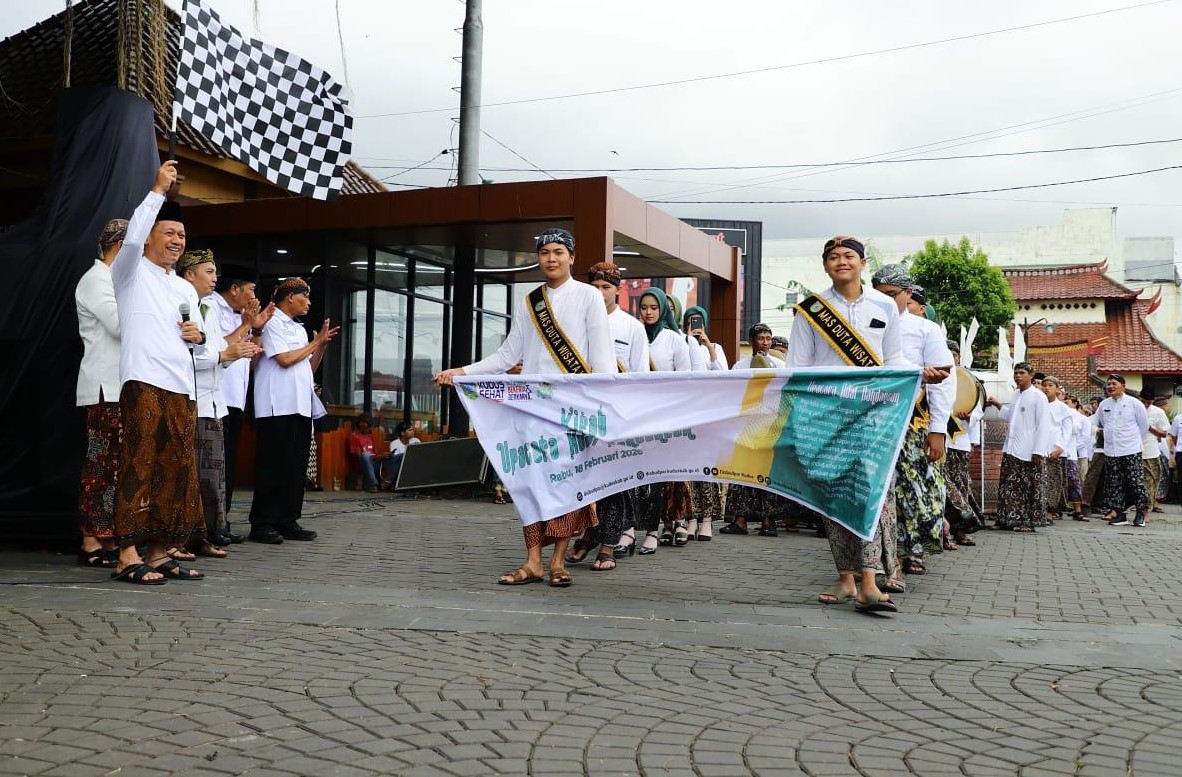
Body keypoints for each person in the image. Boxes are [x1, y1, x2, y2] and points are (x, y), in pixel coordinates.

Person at [435, 228, 614, 588]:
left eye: (559, 252)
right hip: (532, 409)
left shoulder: (589, 297)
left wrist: (600, 406)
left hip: (570, 409)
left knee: (567, 484)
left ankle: (558, 562)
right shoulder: (529, 301)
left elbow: (603, 362)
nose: (551, 258)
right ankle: (533, 562)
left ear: (572, 257)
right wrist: (462, 372)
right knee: (530, 483)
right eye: (545, 251)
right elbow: (507, 356)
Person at [788, 236, 949, 614]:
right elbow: (798, 368)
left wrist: (920, 375)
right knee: (834, 496)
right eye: (833, 257)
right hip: (828, 417)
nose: (841, 262)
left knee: (873, 493)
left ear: (862, 263)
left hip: (875, 415)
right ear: (825, 265)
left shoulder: (884, 306)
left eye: (848, 256)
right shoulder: (811, 310)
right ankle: (846, 576)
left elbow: (892, 359)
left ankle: (870, 581)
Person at [108, 161, 205, 584]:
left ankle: (159, 551)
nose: (177, 241)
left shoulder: (184, 287)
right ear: (148, 237)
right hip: (143, 378)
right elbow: (130, 240)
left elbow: (200, 344)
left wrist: (198, 338)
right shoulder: (129, 272)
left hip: (182, 385)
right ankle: (127, 554)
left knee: (176, 468)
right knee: (139, 463)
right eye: (169, 233)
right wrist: (157, 191)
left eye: (182, 235)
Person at [177, 249, 263, 556]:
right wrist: (226, 355)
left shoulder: (206, 310)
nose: (215, 279)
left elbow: (215, 349)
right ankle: (192, 535)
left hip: (215, 400)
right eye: (209, 272)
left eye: (215, 273)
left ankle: (209, 532)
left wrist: (232, 353)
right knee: (196, 475)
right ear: (189, 275)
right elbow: (187, 356)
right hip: (194, 398)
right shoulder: (185, 305)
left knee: (214, 475)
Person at [871, 264, 953, 576]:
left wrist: (938, 430)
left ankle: (904, 557)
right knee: (878, 492)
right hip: (873, 423)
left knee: (913, 492)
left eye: (893, 295)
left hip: (911, 424)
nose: (887, 301)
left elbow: (942, 381)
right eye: (880, 296)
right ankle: (876, 558)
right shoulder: (863, 327)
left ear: (908, 294)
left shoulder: (925, 330)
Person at [248, 278, 339, 544]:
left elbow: (307, 368)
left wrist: (319, 346)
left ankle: (288, 520)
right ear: (290, 297)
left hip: (300, 405)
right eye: (305, 297)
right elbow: (285, 360)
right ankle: (263, 522)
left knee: (294, 468)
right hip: (277, 406)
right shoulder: (272, 323)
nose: (309, 303)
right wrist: (314, 343)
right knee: (272, 467)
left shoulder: (299, 329)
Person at [574, 262, 649, 569]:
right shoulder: (575, 322)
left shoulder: (632, 327)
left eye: (606, 287)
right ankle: (589, 532)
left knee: (612, 480)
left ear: (618, 289)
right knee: (583, 478)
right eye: (595, 286)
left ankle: (608, 544)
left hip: (616, 413)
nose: (600, 292)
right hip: (580, 411)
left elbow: (641, 376)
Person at [74, 218, 128, 569]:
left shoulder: (115, 281)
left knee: (116, 465)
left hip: (119, 385)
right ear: (119, 247)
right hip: (102, 386)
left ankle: (107, 535)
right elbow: (120, 325)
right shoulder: (96, 280)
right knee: (100, 464)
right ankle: (91, 539)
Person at [202, 264, 266, 528]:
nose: (254, 297)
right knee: (215, 463)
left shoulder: (239, 314)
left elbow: (248, 362)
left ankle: (223, 519)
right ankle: (213, 523)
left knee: (228, 462)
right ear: (236, 288)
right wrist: (247, 325)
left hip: (235, 398)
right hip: (216, 396)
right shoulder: (210, 306)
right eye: (251, 290)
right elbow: (219, 346)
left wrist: (256, 331)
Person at [986, 363, 1050, 533]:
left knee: (1027, 487)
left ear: (1031, 375)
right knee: (1008, 486)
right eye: (1016, 373)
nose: (1018, 376)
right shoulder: (1015, 395)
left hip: (1029, 451)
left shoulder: (1038, 397)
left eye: (1022, 373)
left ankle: (1027, 522)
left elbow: (1043, 425)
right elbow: (1011, 417)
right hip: (1011, 448)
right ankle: (1006, 519)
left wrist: (1038, 451)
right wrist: (998, 405)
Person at [1093, 375, 1149, 526]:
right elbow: (1096, 422)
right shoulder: (1104, 404)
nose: (1110, 386)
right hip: (1111, 451)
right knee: (1114, 483)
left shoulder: (1134, 403)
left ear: (1123, 385)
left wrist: (1133, 441)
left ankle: (1141, 511)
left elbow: (1143, 426)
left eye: (1114, 384)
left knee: (1135, 482)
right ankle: (1119, 514)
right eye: (1108, 384)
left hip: (1131, 449)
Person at [1040, 376, 1076, 523]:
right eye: (1044, 385)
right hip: (1039, 449)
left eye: (1050, 385)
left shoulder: (1063, 408)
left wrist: (1060, 448)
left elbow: (1067, 431)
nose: (1046, 388)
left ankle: (1050, 512)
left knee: (1054, 483)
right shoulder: (1038, 405)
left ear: (1057, 389)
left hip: (1055, 450)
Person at [1140, 390, 1169, 520]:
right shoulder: (1133, 408)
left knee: (1150, 483)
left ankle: (1145, 512)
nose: (1146, 405)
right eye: (1143, 402)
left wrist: (1151, 428)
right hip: (1132, 450)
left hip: (1151, 451)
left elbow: (1164, 434)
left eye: (1149, 403)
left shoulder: (1158, 412)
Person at [348, 416, 389, 492]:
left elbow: (374, 453)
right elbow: (359, 455)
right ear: (361, 424)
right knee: (365, 455)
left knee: (398, 457)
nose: (370, 429)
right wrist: (377, 457)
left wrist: (382, 456)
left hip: (375, 461)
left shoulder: (370, 436)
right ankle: (373, 483)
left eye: (371, 427)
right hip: (363, 463)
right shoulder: (354, 436)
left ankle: (388, 482)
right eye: (368, 426)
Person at [684, 305, 729, 371]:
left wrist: (710, 347)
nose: (694, 327)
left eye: (698, 323)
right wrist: (688, 341)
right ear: (685, 326)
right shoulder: (681, 345)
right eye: (690, 324)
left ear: (704, 325)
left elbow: (723, 373)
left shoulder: (715, 347)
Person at [381, 421, 420, 489]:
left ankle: (388, 481)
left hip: (413, 465)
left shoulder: (416, 440)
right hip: (400, 466)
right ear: (402, 433)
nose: (412, 432)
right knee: (402, 458)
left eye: (413, 430)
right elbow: (395, 459)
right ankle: (390, 482)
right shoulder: (395, 443)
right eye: (410, 430)